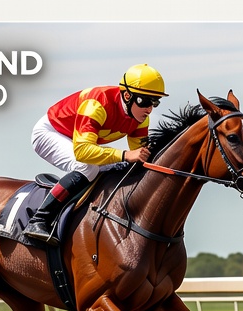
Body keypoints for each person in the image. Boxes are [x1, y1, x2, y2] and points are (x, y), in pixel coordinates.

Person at [23, 63, 166, 245]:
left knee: (122, 167)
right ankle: (39, 219)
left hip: (79, 141)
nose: (149, 109)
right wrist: (124, 155)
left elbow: (141, 156)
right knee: (87, 167)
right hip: (51, 133)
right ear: (128, 95)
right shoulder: (97, 104)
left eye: (155, 102)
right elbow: (82, 151)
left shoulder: (139, 118)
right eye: (145, 101)